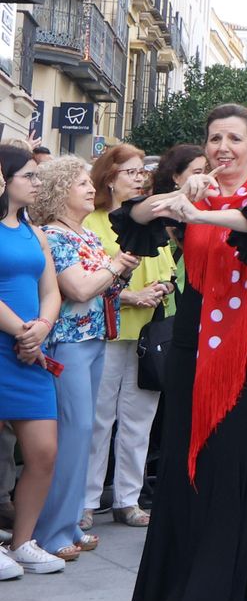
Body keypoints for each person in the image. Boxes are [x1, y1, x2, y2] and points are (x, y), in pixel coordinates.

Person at [120, 104, 247, 601]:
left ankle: (221, 597)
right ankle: (178, 586)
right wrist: (171, 201)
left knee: (234, 464)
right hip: (192, 340)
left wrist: (199, 212)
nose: (224, 147)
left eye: (234, 139)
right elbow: (131, 218)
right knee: (186, 458)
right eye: (215, 138)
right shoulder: (192, 193)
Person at [33, 156, 138, 561]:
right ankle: (52, 528)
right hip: (67, 344)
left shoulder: (87, 235)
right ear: (60, 191)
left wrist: (121, 272)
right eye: (80, 183)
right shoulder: (53, 236)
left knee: (85, 435)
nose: (89, 187)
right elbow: (77, 289)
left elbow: (102, 290)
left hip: (94, 339)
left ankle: (70, 520)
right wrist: (114, 267)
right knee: (72, 435)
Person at [83, 145, 174, 529]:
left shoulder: (151, 221)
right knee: (98, 419)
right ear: (110, 178)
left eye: (142, 173)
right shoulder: (93, 221)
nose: (140, 179)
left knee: (139, 419)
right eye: (131, 172)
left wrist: (160, 289)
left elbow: (169, 271)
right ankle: (86, 500)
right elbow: (85, 277)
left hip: (145, 335)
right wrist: (129, 295)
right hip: (106, 330)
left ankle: (128, 499)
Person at [0, 145, 68, 577]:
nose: (37, 182)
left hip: (30, 354)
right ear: (4, 179)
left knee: (43, 453)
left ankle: (23, 541)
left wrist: (41, 326)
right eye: (29, 175)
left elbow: (52, 290)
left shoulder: (35, 232)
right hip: (13, 345)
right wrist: (23, 332)